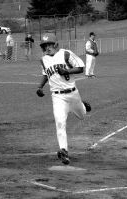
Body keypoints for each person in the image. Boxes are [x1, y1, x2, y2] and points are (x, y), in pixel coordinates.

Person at [36, 33, 91, 165]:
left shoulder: (66, 54)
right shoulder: (43, 60)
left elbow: (81, 68)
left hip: (73, 94)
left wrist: (67, 71)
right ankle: (64, 151)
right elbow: (45, 74)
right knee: (60, 123)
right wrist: (40, 87)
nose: (47, 48)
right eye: (45, 45)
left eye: (49, 44)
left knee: (82, 115)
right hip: (57, 97)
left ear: (55, 44)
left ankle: (83, 106)